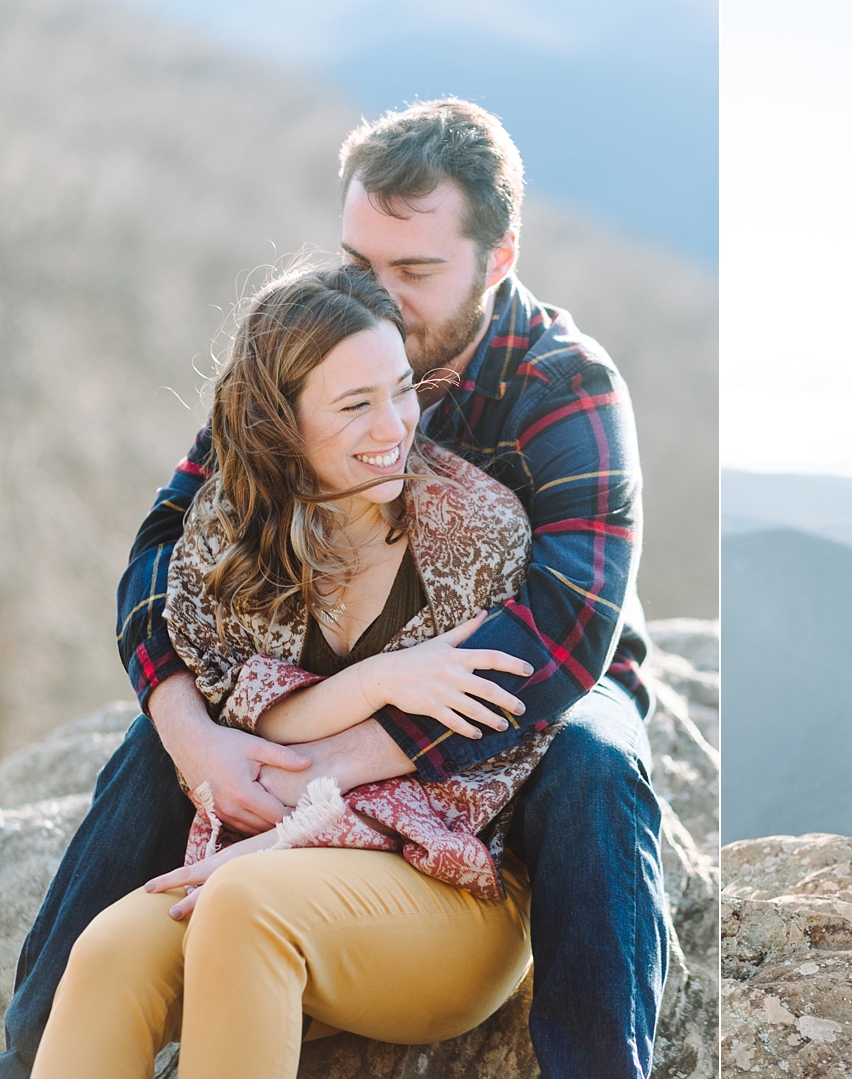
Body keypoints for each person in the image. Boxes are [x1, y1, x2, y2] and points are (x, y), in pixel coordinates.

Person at [3, 100, 666, 1079]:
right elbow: (166, 548)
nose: (382, 299)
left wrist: (330, 767)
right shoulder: (315, 341)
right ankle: (34, 1039)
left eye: (415, 271)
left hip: (523, 679)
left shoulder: (563, 386)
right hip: (326, 666)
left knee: (596, 769)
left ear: (499, 256)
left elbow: (562, 633)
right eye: (363, 264)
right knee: (153, 746)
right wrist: (196, 735)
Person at [35, 263, 550, 1077]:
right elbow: (235, 712)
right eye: (355, 405)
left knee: (242, 906)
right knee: (107, 948)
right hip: (265, 866)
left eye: (402, 390)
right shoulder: (228, 533)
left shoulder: (477, 532)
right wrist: (378, 681)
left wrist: (287, 829)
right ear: (280, 422)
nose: (396, 427)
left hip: (451, 883)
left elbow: (470, 777)